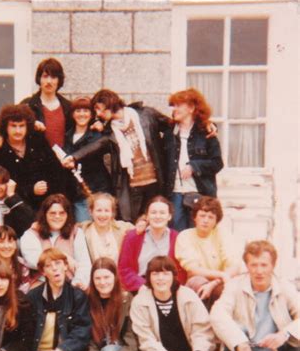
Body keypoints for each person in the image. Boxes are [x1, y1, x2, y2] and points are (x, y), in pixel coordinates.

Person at [62, 89, 171, 222]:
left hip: (155, 181)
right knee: (132, 225)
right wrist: (74, 157)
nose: (98, 113)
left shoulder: (146, 114)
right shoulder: (109, 130)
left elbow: (170, 126)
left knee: (155, 221)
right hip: (132, 186)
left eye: (98, 108)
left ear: (108, 103)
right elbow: (97, 145)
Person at [0, 104, 73, 212]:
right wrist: (31, 190)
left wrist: (56, 194)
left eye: (21, 125)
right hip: (12, 208)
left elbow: (56, 170)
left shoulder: (37, 141)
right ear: (6, 127)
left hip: (45, 206)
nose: (18, 130)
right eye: (13, 126)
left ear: (27, 126)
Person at [163, 88, 224, 231]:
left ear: (191, 108)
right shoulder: (169, 132)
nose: (174, 110)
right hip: (174, 193)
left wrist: (194, 167)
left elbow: (217, 163)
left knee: (199, 235)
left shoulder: (206, 133)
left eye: (178, 105)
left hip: (199, 194)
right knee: (176, 237)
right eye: (174, 106)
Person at [175, 196, 241, 310]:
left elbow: (234, 265)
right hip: (196, 283)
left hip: (220, 282)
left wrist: (214, 283)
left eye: (211, 217)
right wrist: (221, 275)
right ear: (195, 217)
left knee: (226, 289)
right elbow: (193, 270)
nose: (206, 220)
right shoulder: (185, 236)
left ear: (216, 221)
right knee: (199, 282)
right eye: (202, 215)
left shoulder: (223, 234)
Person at [20, 193, 91, 291]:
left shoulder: (76, 232)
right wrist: (64, 256)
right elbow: (34, 261)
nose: (57, 217)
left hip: (70, 284)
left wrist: (77, 283)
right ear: (45, 214)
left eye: (62, 213)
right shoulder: (31, 233)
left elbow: (84, 264)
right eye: (52, 213)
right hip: (41, 285)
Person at [119, 196, 185, 293]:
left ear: (169, 216)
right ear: (147, 216)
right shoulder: (133, 236)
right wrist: (143, 285)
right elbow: (124, 269)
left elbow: (181, 271)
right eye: (153, 213)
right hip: (140, 288)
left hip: (168, 288)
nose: (157, 216)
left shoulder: (177, 238)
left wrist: (170, 287)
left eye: (162, 213)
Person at [63, 97, 112, 222]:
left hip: (95, 190)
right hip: (76, 193)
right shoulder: (67, 136)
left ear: (91, 114)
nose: (82, 114)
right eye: (78, 111)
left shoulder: (97, 135)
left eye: (86, 111)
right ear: (72, 114)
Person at [21, 57, 72, 149]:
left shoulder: (68, 107)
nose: (49, 81)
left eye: (53, 77)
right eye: (45, 76)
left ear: (59, 80)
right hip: (36, 161)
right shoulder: (27, 105)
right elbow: (8, 123)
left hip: (63, 161)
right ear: (39, 79)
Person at [79, 192, 133, 263]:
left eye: (107, 211)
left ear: (112, 213)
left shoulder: (123, 228)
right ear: (91, 212)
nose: (103, 215)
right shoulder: (83, 230)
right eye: (99, 210)